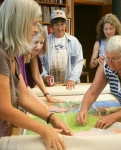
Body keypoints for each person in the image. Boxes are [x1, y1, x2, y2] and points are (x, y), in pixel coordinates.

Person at [0, 0, 72, 150]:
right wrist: (44, 129)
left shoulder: (11, 53)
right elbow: (4, 108)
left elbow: (23, 96)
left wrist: (51, 119)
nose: (35, 30)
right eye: (32, 23)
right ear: (18, 22)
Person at [77, 35, 121, 129]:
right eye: (108, 57)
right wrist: (83, 109)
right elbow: (92, 92)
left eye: (115, 58)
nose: (110, 62)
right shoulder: (106, 64)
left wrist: (112, 117)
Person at [17, 23, 64, 104]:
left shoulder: (33, 52)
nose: (39, 47)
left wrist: (47, 96)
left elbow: (37, 75)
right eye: (36, 42)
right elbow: (24, 86)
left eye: (41, 43)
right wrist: (44, 106)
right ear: (27, 39)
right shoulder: (18, 55)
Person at [40, 10, 83, 90]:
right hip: (50, 87)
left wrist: (72, 78)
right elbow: (40, 63)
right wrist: (45, 76)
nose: (60, 28)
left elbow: (79, 62)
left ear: (65, 25)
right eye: (57, 25)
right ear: (51, 26)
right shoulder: (44, 41)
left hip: (69, 86)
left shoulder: (74, 41)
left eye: (62, 24)